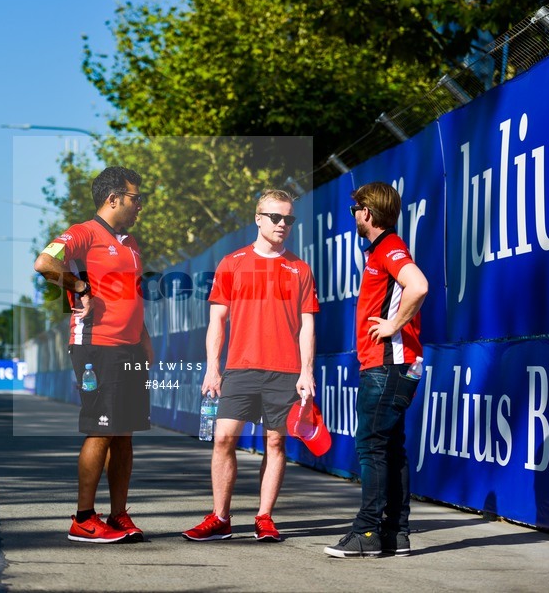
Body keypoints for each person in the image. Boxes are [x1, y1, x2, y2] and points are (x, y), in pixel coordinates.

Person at [183, 189, 319, 543]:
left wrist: (307, 371)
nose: (282, 224)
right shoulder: (232, 263)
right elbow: (218, 321)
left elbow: (307, 325)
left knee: (275, 443)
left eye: (289, 219)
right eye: (275, 217)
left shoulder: (300, 269)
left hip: (285, 370)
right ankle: (220, 518)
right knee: (224, 438)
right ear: (258, 219)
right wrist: (213, 368)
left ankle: (265, 517)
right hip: (240, 368)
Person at [34, 166, 153, 544]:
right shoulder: (84, 232)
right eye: (137, 198)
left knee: (124, 433)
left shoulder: (132, 242)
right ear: (113, 198)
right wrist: (79, 284)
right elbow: (44, 263)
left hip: (129, 346)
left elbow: (132, 298)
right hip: (95, 344)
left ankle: (118, 516)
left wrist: (144, 340)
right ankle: (84, 518)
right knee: (101, 429)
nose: (140, 206)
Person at [324, 181, 428, 558]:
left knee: (371, 447)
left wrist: (392, 325)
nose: (353, 215)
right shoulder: (381, 251)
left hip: (389, 365)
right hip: (397, 366)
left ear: (366, 213)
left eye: (356, 210)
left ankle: (366, 532)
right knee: (391, 449)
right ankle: (395, 534)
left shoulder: (389, 248)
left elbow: (418, 286)